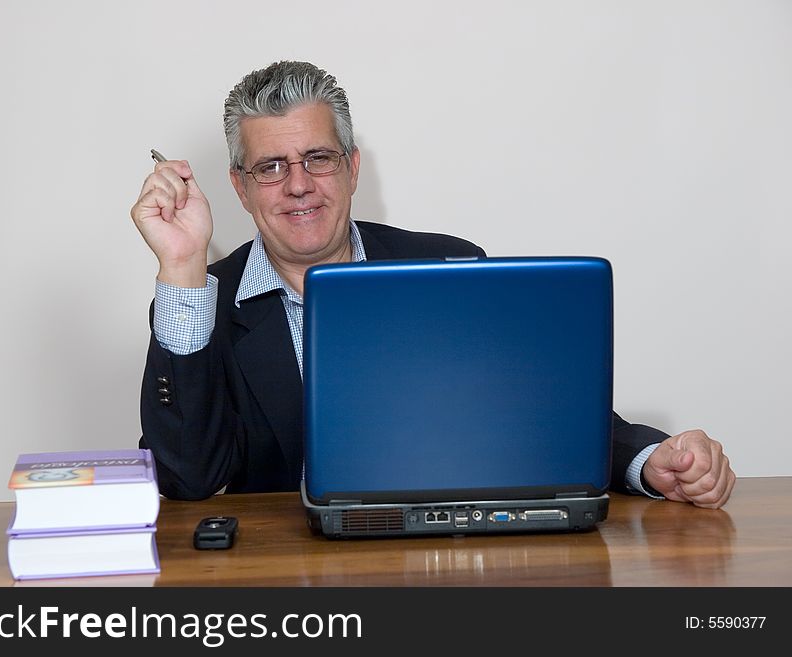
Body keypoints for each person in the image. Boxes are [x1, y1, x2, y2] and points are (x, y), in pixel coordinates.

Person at [130, 60, 735, 509]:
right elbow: (189, 477)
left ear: (352, 168)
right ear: (239, 186)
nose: (298, 185)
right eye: (270, 168)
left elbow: (538, 413)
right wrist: (184, 268)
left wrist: (650, 461)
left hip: (455, 555)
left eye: (318, 157)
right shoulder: (205, 297)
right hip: (296, 583)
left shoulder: (451, 264)